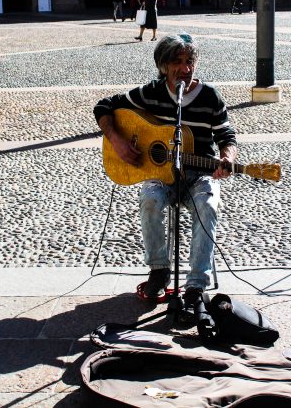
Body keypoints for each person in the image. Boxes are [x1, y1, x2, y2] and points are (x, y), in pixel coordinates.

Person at [94, 34, 237, 305]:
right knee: (149, 200)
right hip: (160, 175)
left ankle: (196, 285)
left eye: (189, 62)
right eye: (177, 62)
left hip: (199, 173)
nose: (185, 69)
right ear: (163, 66)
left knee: (208, 205)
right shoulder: (152, 92)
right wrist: (117, 140)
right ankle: (159, 270)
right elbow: (104, 106)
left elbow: (226, 135)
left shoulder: (209, 96)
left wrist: (226, 157)